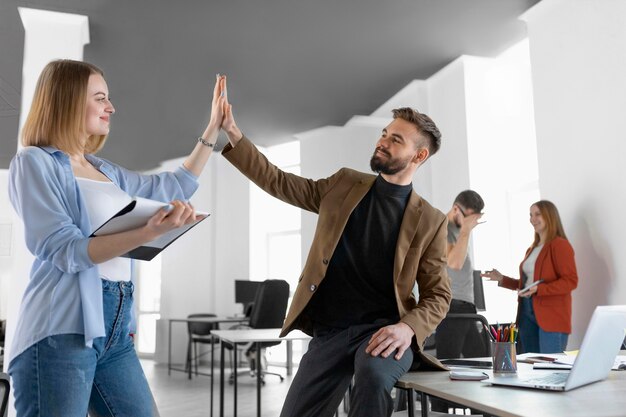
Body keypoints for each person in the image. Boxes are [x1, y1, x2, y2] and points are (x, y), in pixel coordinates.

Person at [8, 59, 226, 417]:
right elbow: (64, 250)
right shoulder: (34, 162)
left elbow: (171, 186)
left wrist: (212, 130)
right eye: (99, 98)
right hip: (61, 332)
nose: (111, 107)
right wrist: (147, 232)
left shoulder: (105, 170)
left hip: (115, 331)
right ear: (68, 99)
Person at [219, 89, 451, 417]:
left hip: (384, 332)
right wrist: (233, 133)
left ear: (419, 156)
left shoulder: (430, 220)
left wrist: (408, 328)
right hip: (331, 333)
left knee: (371, 378)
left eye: (396, 139)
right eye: (384, 133)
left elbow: (438, 295)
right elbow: (280, 182)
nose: (382, 141)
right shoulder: (344, 185)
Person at [482, 200, 578, 354]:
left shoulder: (560, 245)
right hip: (526, 311)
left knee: (550, 367)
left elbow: (571, 281)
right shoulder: (532, 249)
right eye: (530, 215)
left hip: (551, 315)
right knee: (531, 366)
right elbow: (526, 285)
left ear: (550, 216)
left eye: (537, 214)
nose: (533, 219)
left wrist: (540, 289)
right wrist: (502, 279)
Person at [434, 190, 485, 359]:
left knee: (482, 359)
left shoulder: (458, 231)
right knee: (448, 361)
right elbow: (454, 264)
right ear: (456, 209)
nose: (471, 224)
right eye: (469, 218)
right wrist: (466, 230)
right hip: (452, 305)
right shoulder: (442, 228)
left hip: (466, 306)